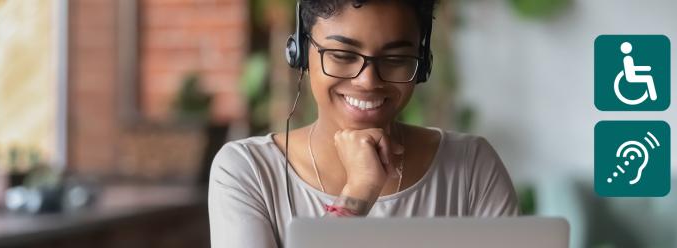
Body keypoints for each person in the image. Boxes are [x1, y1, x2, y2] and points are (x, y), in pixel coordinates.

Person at [207, 1, 520, 247]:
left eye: (396, 59)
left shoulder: (472, 166)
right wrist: (358, 192)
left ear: (422, 64)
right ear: (301, 53)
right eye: (342, 55)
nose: (368, 81)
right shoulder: (247, 171)